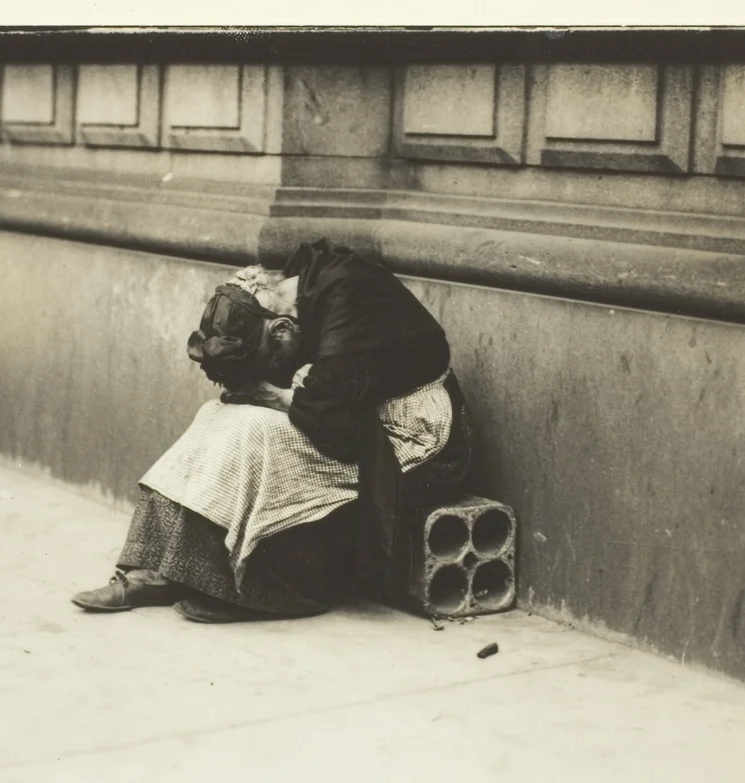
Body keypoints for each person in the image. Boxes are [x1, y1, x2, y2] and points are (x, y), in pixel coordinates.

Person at [72, 238, 473, 623]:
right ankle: (156, 570)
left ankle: (263, 591)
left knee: (257, 433)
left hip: (417, 433)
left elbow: (334, 422)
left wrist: (274, 397)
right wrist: (266, 394)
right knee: (214, 415)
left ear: (281, 328)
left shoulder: (345, 296)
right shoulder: (304, 284)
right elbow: (327, 398)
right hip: (353, 410)